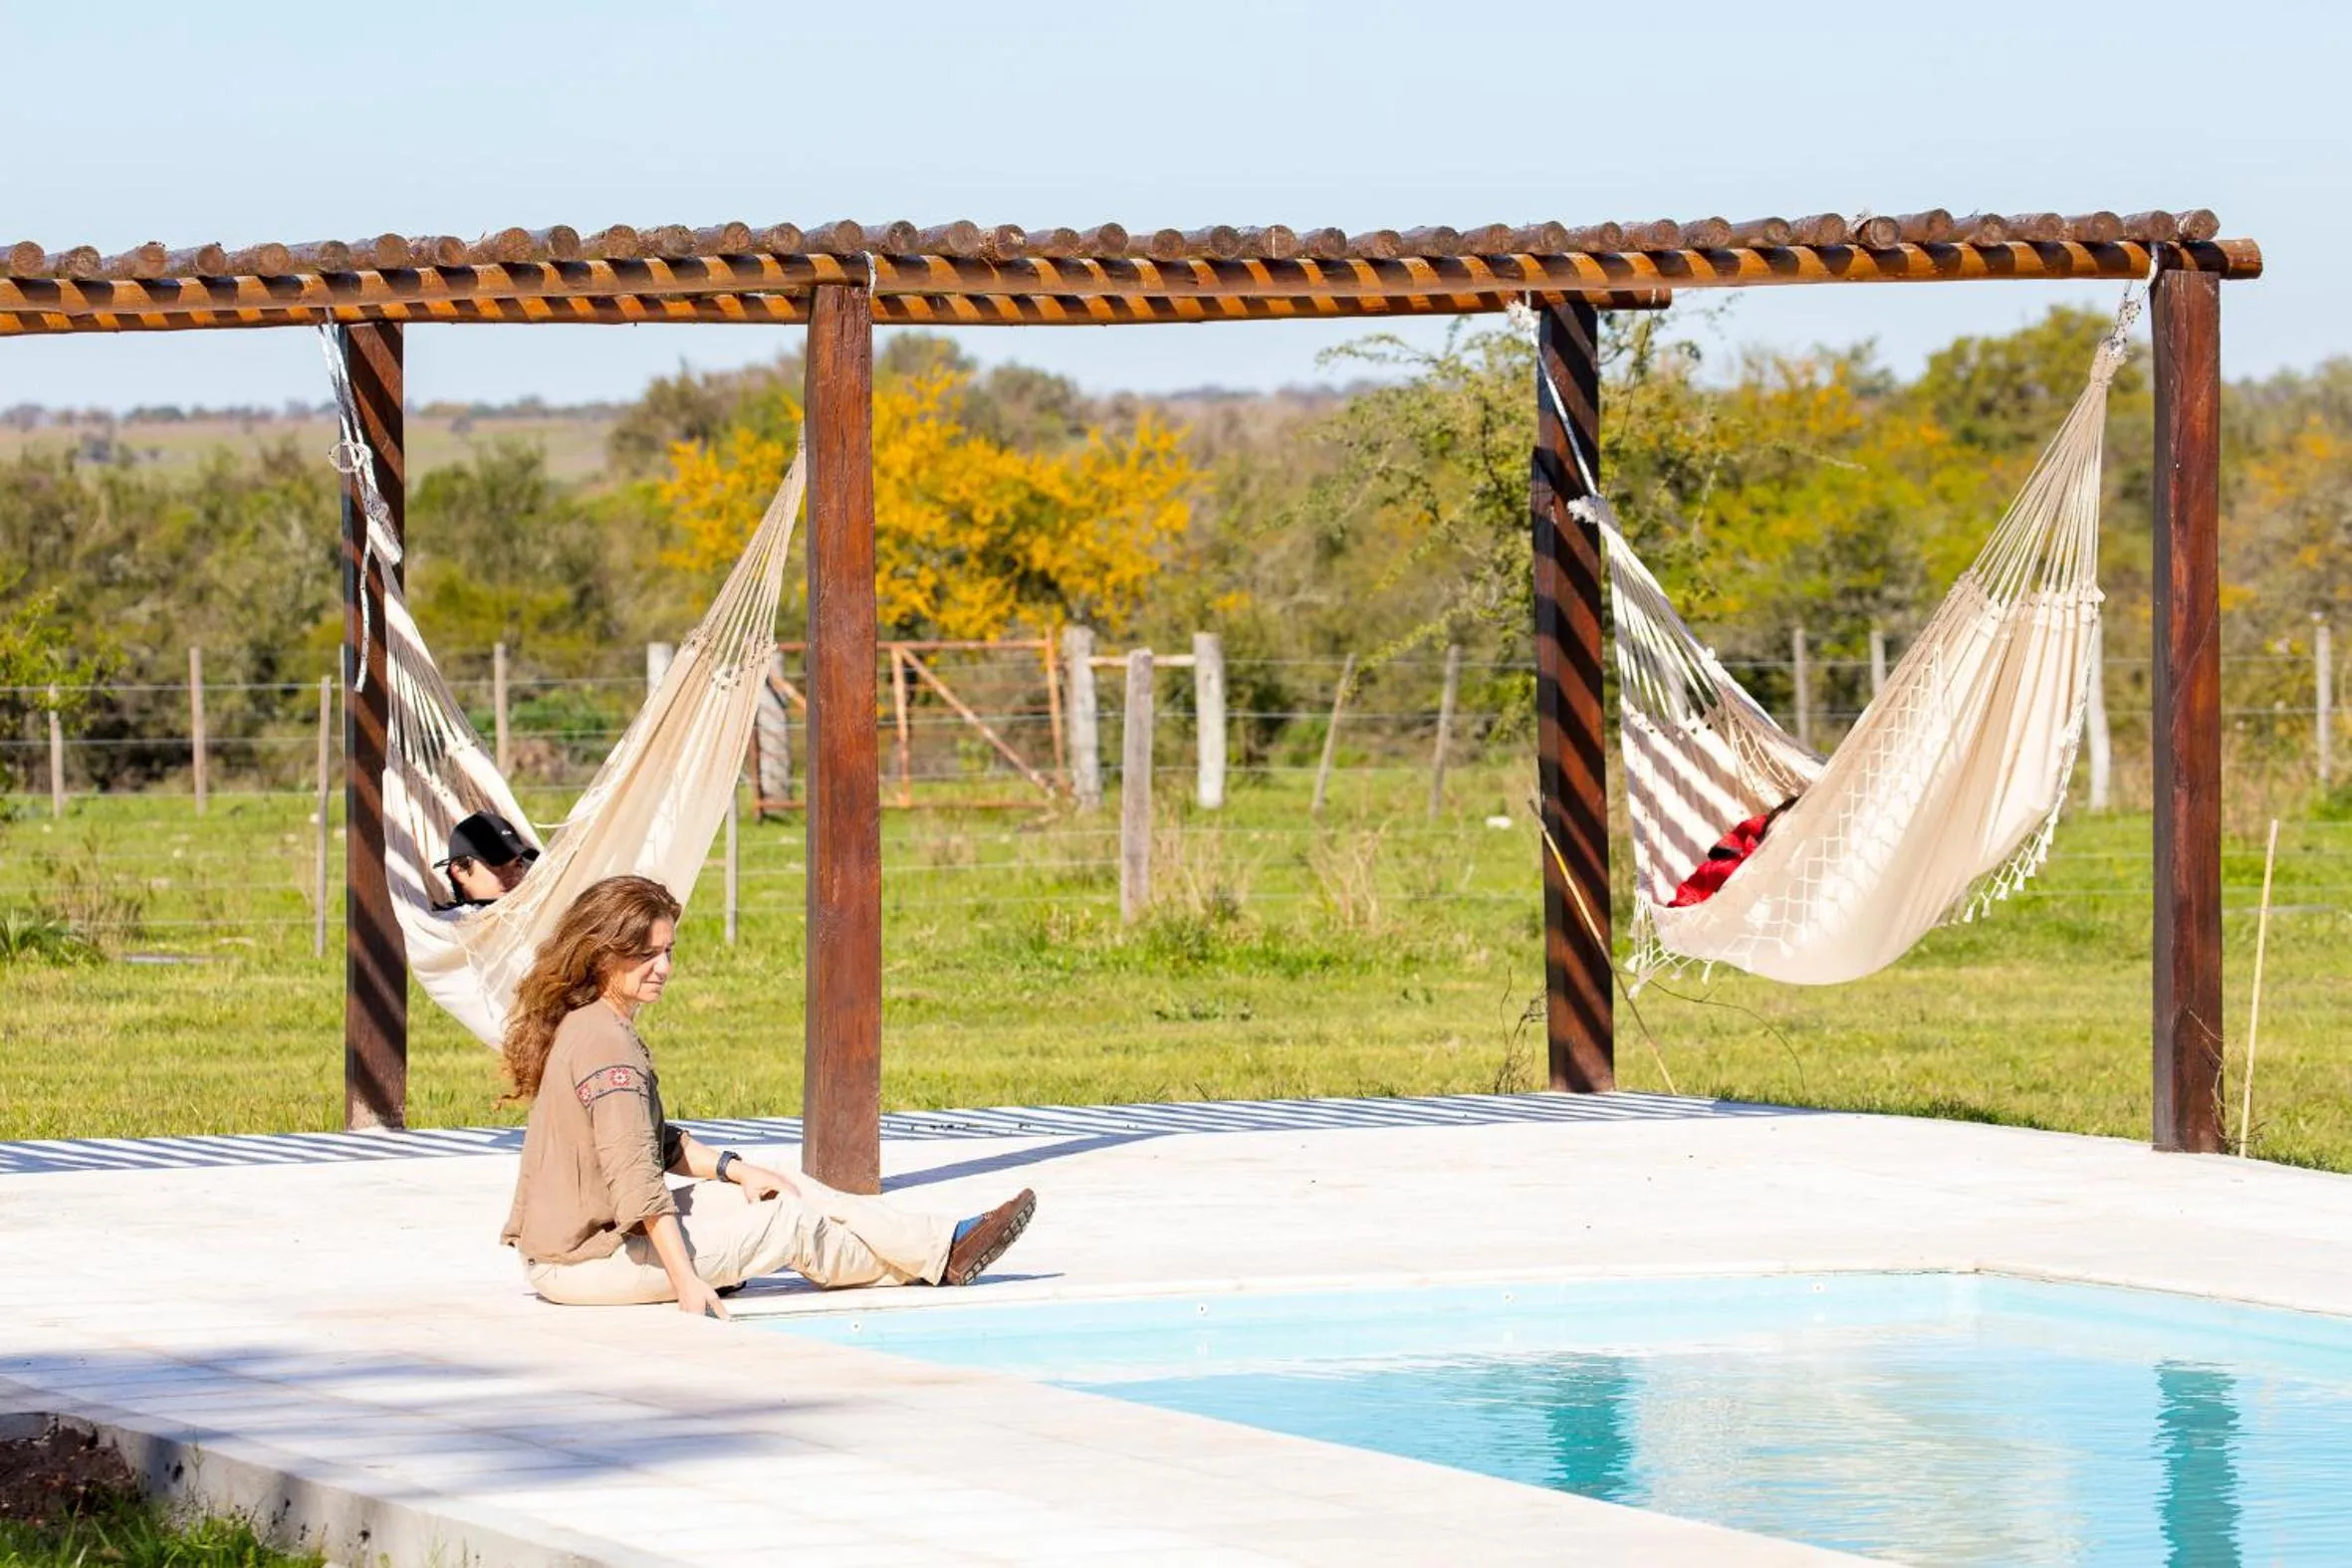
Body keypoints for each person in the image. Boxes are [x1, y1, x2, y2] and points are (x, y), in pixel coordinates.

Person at [499, 873, 1035, 1317]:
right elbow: (637, 1181)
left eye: (668, 951)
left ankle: (943, 1244)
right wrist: (688, 1283)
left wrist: (736, 1169)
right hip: (583, 1264)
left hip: (590, 1247)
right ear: (603, 955)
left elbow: (651, 1141)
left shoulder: (593, 1023)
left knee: (779, 1189)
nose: (663, 968)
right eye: (646, 955)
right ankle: (929, 1261)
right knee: (788, 1225)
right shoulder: (606, 1045)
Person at [1667, 795, 1800, 908]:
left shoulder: (1792, 862)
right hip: (1708, 906)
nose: (1781, 829)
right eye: (1781, 820)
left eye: (1789, 828)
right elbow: (1690, 892)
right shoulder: (1755, 829)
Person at [436, 810, 540, 908]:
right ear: (459, 872)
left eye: (518, 863)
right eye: (499, 865)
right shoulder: (448, 924)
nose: (512, 876)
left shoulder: (536, 910)